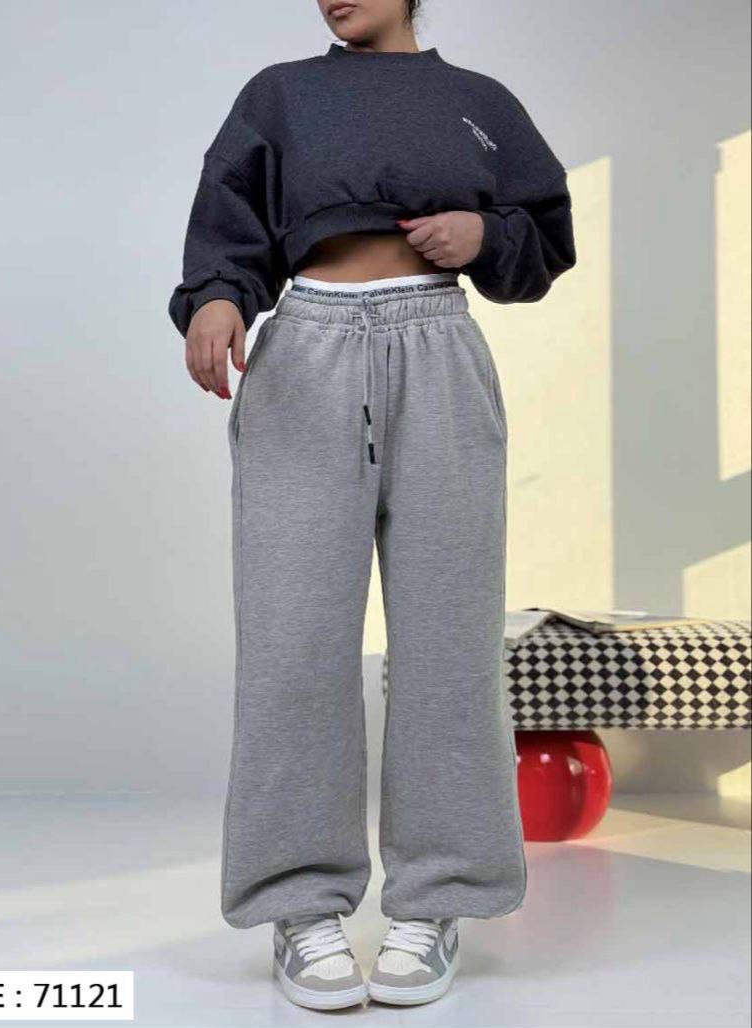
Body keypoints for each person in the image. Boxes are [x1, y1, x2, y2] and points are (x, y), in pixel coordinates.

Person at [168, 0, 576, 1010]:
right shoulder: (281, 95)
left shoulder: (477, 103)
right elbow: (228, 219)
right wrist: (217, 294)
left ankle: (437, 898)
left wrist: (484, 231)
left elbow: (542, 238)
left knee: (448, 641)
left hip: (440, 347)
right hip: (306, 349)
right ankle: (299, 903)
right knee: (293, 641)